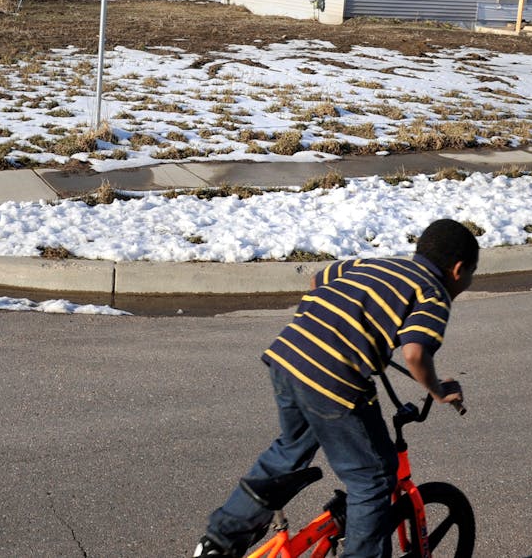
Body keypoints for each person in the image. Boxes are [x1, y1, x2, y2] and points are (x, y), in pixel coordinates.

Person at [194, 218, 479, 558]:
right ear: (459, 270)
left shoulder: (373, 264)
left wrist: (348, 326)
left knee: (289, 451)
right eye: (471, 275)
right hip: (335, 379)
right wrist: (437, 390)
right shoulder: (433, 292)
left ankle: (219, 542)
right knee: (372, 480)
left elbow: (318, 279)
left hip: (288, 357)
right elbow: (416, 352)